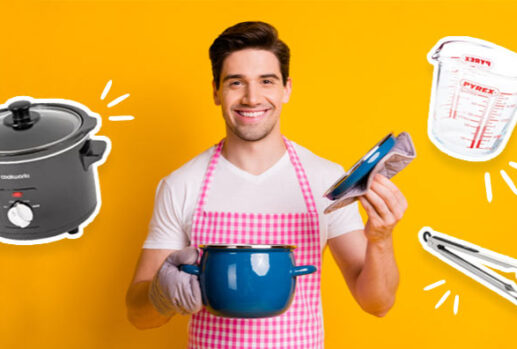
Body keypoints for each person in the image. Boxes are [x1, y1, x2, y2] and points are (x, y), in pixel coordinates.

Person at [126, 21, 407, 348]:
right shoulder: (181, 184)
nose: (252, 97)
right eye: (235, 82)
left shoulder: (325, 180)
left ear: (286, 89)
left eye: (266, 81)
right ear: (216, 91)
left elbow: (378, 304)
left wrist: (381, 238)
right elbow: (138, 316)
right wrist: (161, 294)